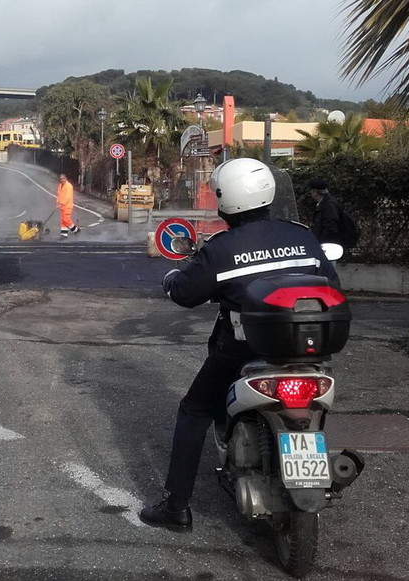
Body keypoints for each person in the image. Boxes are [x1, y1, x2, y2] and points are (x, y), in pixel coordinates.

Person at [140, 158, 339, 531]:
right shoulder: (303, 236)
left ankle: (176, 508)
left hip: (244, 350)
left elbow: (185, 293)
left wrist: (170, 279)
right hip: (309, 349)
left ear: (223, 199)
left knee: (195, 410)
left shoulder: (220, 248)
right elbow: (333, 285)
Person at [309, 178, 342, 245]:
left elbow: (331, 227)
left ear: (315, 193)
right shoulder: (323, 204)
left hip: (329, 245)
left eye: (312, 191)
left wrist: (321, 241)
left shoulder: (329, 206)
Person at [56, 174, 80, 239]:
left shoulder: (69, 186)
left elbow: (67, 197)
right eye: (61, 179)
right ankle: (64, 234)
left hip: (67, 206)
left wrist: (62, 203)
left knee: (66, 219)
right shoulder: (60, 186)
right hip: (62, 206)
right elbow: (59, 195)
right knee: (63, 220)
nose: (62, 180)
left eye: (63, 178)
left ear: (66, 178)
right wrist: (58, 202)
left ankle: (76, 230)